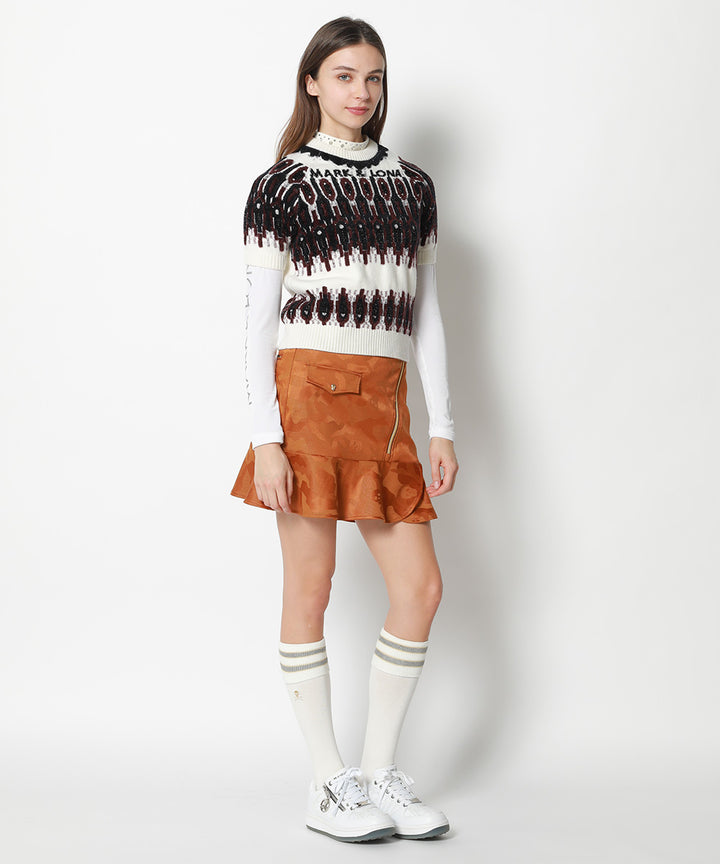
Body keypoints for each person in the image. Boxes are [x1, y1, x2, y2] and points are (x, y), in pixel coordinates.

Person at [230, 16, 459, 843]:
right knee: (311, 586)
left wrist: (443, 424)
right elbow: (258, 322)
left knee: (420, 589)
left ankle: (378, 771)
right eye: (345, 75)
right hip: (307, 399)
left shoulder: (413, 186)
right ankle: (329, 782)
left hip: (388, 405)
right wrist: (264, 438)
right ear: (312, 83)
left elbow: (426, 314)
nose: (361, 92)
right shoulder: (281, 185)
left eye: (374, 77)